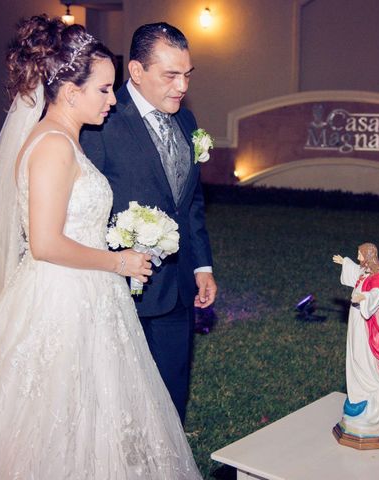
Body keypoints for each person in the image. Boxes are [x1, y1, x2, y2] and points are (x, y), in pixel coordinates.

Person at [0, 16, 202, 479]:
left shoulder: (67, 141)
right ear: (71, 93)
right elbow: (47, 244)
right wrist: (120, 260)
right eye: (104, 90)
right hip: (61, 298)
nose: (113, 100)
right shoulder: (52, 145)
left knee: (94, 412)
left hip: (89, 294)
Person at [81, 22, 217, 423]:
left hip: (177, 283)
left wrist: (202, 265)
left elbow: (189, 201)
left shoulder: (188, 122)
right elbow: (86, 206)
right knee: (120, 387)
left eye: (187, 75)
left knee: (173, 380)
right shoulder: (101, 121)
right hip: (119, 284)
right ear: (137, 72)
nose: (181, 87)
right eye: (170, 75)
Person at [333, 243, 379, 439]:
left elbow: (376, 295)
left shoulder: (377, 276)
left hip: (365, 324)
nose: (358, 256)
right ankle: (358, 394)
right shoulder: (366, 270)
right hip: (356, 319)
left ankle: (372, 393)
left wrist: (363, 297)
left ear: (368, 255)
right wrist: (345, 262)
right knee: (354, 354)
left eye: (360, 253)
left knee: (363, 356)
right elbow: (357, 271)